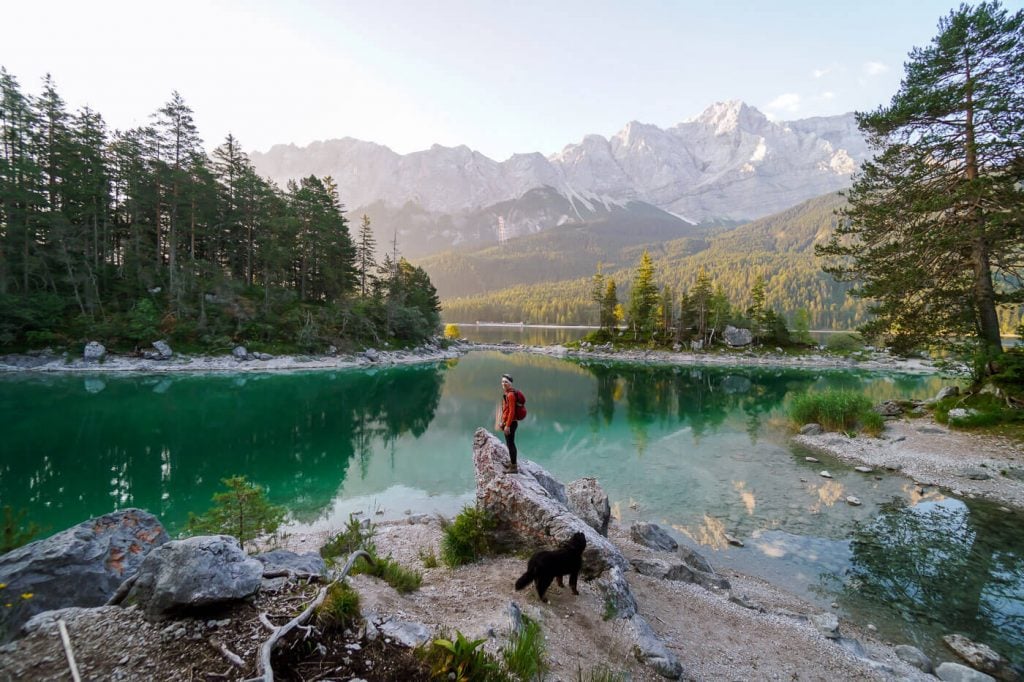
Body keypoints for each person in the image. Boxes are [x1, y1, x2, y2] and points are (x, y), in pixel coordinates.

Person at [499, 373, 520, 473]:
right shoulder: (508, 393)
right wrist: (502, 422)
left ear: (510, 383)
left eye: (506, 382)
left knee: (511, 444)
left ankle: (514, 467)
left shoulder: (511, 395)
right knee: (509, 443)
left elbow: (511, 411)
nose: (504, 383)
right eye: (502, 381)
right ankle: (512, 462)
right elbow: (506, 410)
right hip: (508, 422)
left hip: (511, 423)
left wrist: (507, 426)